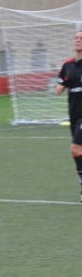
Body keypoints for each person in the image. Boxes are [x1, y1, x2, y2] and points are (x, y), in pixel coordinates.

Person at [55, 30, 82, 203]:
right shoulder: (68, 65)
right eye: (76, 38)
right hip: (74, 114)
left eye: (81, 38)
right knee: (78, 152)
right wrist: (64, 82)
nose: (78, 40)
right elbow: (58, 90)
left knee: (75, 148)